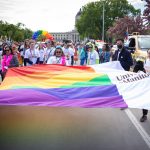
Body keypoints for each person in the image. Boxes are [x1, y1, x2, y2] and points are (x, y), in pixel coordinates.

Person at [139, 50, 150, 122]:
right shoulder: (147, 60)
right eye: (149, 53)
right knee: (145, 98)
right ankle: (144, 115)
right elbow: (145, 70)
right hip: (146, 82)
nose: (149, 54)